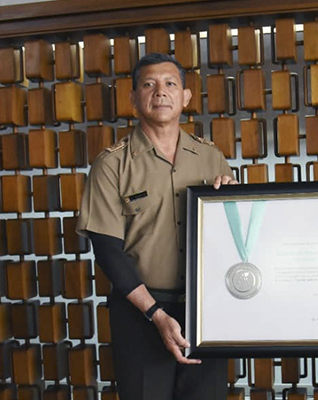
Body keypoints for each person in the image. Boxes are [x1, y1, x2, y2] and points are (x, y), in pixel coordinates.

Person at [77, 53, 236, 400]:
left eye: (170, 84)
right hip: (140, 314)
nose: (160, 92)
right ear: (134, 98)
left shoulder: (211, 157)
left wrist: (233, 203)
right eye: (148, 84)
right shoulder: (112, 164)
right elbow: (107, 251)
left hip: (204, 312)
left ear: (186, 97)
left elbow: (234, 238)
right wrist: (156, 314)